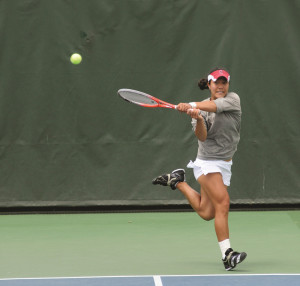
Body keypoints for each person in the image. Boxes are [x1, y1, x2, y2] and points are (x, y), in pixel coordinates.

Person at [152, 68, 247, 271]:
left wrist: (192, 105)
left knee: (207, 212)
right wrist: (199, 118)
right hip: (207, 164)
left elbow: (214, 106)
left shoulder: (233, 100)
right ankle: (227, 254)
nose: (221, 86)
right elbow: (202, 137)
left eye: (224, 82)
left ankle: (177, 181)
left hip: (225, 164)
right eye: (216, 83)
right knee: (223, 203)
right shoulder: (201, 109)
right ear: (210, 85)